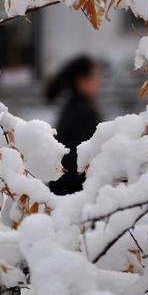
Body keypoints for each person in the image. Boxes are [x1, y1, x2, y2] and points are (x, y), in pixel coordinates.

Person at [47, 56, 102, 195]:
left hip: (64, 191)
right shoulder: (82, 112)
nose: (98, 83)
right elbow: (96, 153)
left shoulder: (73, 107)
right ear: (82, 81)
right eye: (95, 78)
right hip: (74, 194)